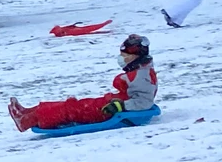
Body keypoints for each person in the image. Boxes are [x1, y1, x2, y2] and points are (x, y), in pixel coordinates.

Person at [8, 34, 158, 132]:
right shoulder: (140, 72)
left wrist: (119, 106)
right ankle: (28, 112)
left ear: (136, 57)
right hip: (111, 104)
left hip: (112, 110)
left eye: (125, 56)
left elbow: (144, 102)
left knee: (73, 110)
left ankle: (28, 120)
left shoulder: (141, 76)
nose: (122, 59)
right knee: (75, 105)